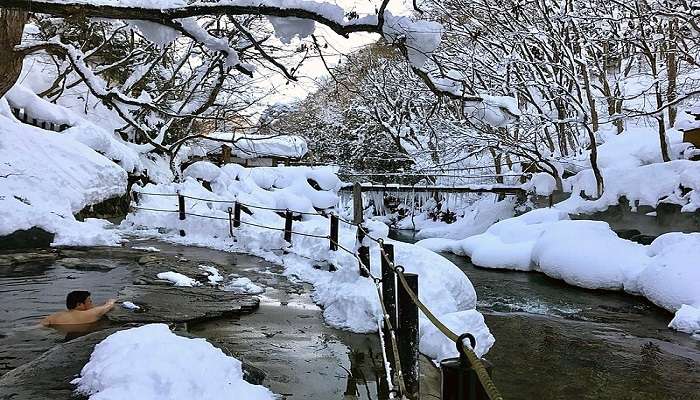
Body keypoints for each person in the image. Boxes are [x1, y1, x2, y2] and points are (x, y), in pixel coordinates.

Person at [41, 290, 116, 326]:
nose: (92, 304)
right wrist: (111, 301)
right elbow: (108, 306)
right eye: (89, 301)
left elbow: (40, 327)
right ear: (79, 304)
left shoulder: (53, 317)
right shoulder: (89, 314)